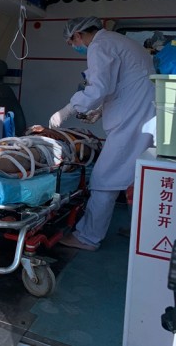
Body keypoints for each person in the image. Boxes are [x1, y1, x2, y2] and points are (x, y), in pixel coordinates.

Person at [49, 16, 155, 251]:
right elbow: (118, 83)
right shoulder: (118, 41)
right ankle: (141, 230)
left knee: (104, 178)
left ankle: (87, 237)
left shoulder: (99, 45)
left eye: (71, 42)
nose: (73, 46)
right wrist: (99, 110)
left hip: (131, 121)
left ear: (78, 35)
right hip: (142, 116)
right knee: (137, 178)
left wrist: (67, 110)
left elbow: (99, 87)